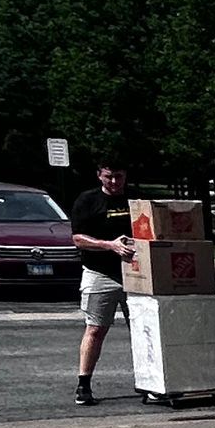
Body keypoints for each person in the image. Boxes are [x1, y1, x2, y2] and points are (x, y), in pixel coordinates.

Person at [69, 159, 135, 406]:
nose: (115, 182)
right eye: (109, 177)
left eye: (119, 176)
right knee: (95, 329)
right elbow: (77, 239)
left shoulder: (135, 200)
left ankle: (149, 382)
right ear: (99, 176)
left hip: (136, 275)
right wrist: (109, 245)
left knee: (142, 332)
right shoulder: (87, 201)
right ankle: (83, 384)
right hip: (100, 274)